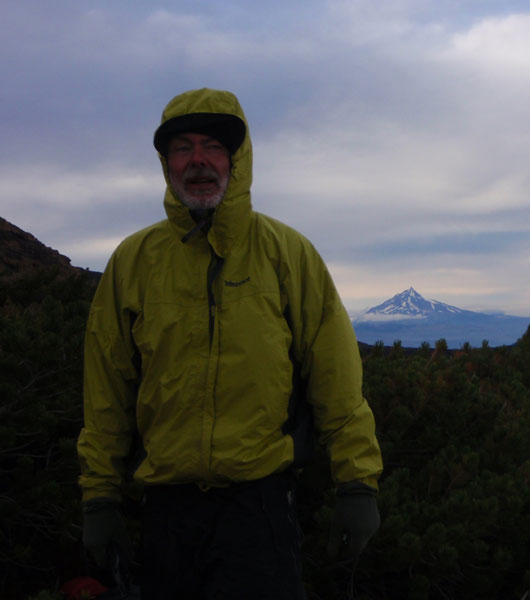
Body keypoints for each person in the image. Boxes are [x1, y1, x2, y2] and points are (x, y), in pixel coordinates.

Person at [77, 88, 383, 599]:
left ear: (237, 160)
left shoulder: (287, 254)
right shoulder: (134, 262)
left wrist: (357, 483)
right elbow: (106, 392)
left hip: (259, 511)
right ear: (166, 162)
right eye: (182, 147)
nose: (198, 161)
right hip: (167, 513)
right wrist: (99, 499)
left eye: (213, 146)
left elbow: (337, 377)